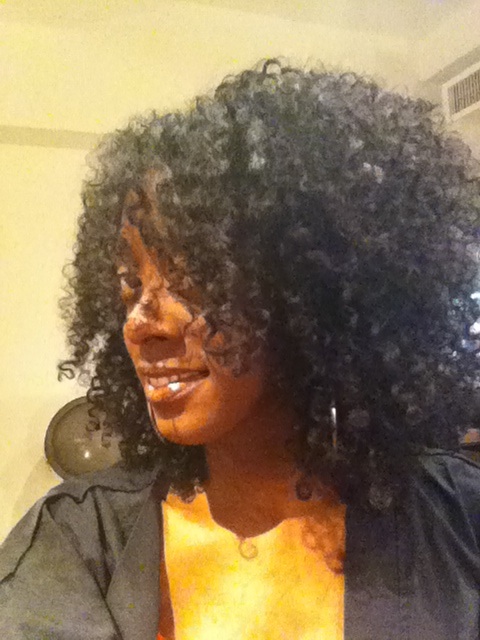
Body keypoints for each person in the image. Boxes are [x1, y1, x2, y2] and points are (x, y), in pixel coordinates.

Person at [1, 59, 480, 640]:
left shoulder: (461, 526)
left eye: (195, 275)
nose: (140, 323)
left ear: (307, 290)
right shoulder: (78, 542)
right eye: (130, 281)